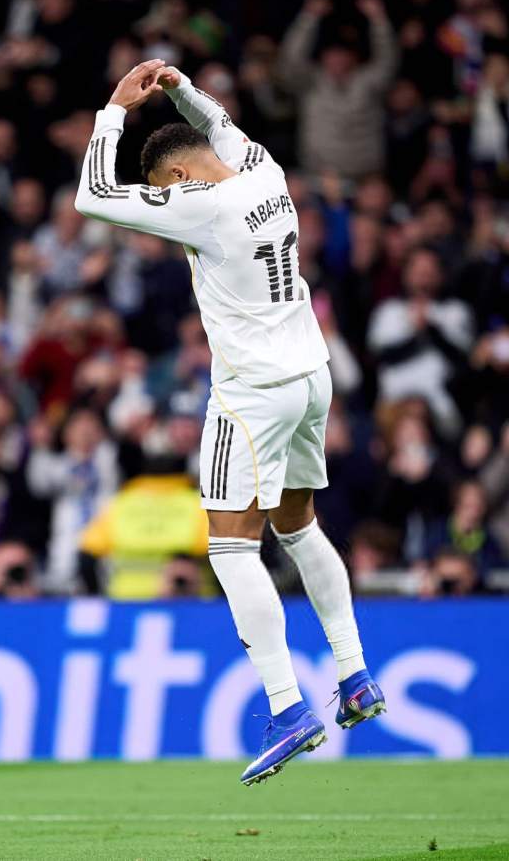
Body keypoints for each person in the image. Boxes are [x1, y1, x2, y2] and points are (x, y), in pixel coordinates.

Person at [74, 60, 383, 786]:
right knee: (298, 527)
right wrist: (182, 90)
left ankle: (287, 708)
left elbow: (92, 196)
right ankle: (355, 674)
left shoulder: (202, 205)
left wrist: (115, 109)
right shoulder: (263, 169)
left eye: (167, 186)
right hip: (311, 375)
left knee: (231, 548)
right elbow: (219, 123)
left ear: (179, 176)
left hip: (252, 394)